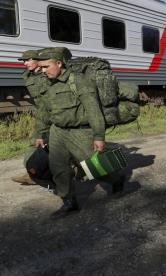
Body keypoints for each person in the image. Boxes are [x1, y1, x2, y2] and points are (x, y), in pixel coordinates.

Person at [35, 47, 125, 219]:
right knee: (58, 169)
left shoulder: (78, 81)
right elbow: (43, 111)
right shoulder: (47, 84)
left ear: (59, 63)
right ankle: (69, 202)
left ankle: (117, 179)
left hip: (80, 132)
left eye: (46, 66)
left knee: (95, 167)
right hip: (57, 132)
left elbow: (93, 110)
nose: (43, 71)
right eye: (41, 67)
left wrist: (99, 136)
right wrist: (39, 133)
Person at [11, 50, 46, 185]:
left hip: (54, 114)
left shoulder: (46, 74)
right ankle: (32, 174)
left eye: (28, 60)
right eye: (23, 61)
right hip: (43, 113)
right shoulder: (31, 75)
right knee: (37, 142)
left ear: (37, 59)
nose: (25, 63)